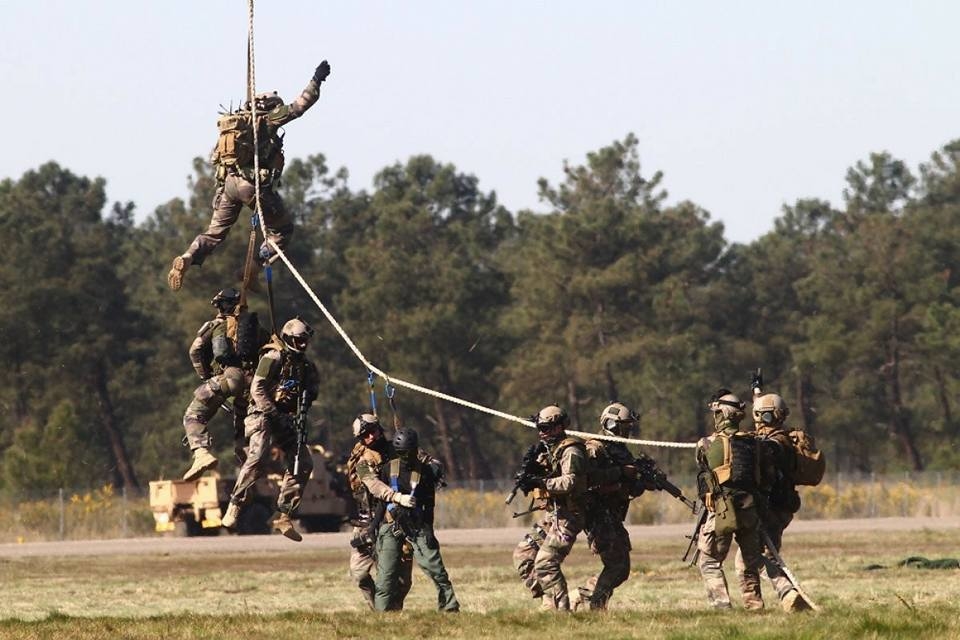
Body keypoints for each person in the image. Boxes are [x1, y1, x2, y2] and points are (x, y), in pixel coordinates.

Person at [167, 61, 331, 291]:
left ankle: (187, 256)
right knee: (283, 231)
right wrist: (317, 79)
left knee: (214, 233)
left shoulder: (234, 125)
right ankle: (253, 267)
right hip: (252, 185)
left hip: (228, 186)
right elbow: (300, 106)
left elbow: (216, 158)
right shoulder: (268, 119)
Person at [220, 318, 318, 541]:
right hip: (263, 413)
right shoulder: (273, 357)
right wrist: (273, 413)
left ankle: (283, 514)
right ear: (288, 338)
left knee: (303, 462)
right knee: (258, 457)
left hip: (287, 418)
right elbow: (257, 388)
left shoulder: (306, 367)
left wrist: (299, 412)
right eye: (298, 341)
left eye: (305, 341)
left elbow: (311, 391)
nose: (302, 345)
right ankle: (236, 502)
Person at [735, 392, 814, 612]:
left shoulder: (775, 444)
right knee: (766, 555)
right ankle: (767, 602)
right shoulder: (786, 438)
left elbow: (765, 450)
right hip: (782, 508)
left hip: (770, 509)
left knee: (747, 559)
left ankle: (785, 593)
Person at [370, 427, 459, 612]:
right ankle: (381, 616)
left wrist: (429, 531)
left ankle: (449, 609)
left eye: (407, 453)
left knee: (436, 570)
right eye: (400, 453)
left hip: (418, 526)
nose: (404, 457)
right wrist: (373, 527)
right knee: (385, 577)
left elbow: (429, 504)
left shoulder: (425, 472)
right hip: (391, 525)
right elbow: (381, 502)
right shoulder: (388, 469)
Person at [694, 389, 768, 610]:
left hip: (722, 511)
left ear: (721, 415)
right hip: (749, 509)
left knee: (709, 561)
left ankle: (722, 605)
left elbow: (703, 467)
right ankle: (754, 605)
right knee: (749, 563)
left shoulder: (706, 444)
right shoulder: (753, 443)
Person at [182, 288, 264, 480]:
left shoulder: (215, 325)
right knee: (242, 428)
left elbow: (195, 351)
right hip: (252, 384)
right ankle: (248, 467)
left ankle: (201, 454)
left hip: (228, 377)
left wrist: (205, 376)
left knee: (193, 415)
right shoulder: (254, 327)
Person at [512, 405, 588, 611]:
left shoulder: (572, 451)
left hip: (569, 517)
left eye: (546, 428)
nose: (541, 433)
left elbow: (570, 482)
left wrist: (541, 482)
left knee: (546, 563)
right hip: (553, 515)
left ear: (559, 427)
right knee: (524, 554)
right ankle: (549, 601)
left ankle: (561, 613)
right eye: (540, 428)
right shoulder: (550, 450)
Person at [574, 402, 643, 611]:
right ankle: (597, 605)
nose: (628, 430)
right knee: (617, 566)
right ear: (612, 424)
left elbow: (629, 488)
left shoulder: (622, 451)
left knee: (622, 569)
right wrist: (620, 472)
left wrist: (643, 481)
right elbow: (586, 479)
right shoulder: (595, 448)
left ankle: (582, 596)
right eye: (624, 426)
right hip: (598, 515)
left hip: (612, 515)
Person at [345, 413, 415, 610]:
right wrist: (396, 496)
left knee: (401, 581)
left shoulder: (396, 448)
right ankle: (378, 608)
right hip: (366, 523)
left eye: (373, 432)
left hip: (394, 521)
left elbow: (419, 456)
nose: (370, 438)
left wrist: (432, 465)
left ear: (380, 429)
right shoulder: (362, 461)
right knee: (359, 573)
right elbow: (374, 485)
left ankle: (391, 613)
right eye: (365, 436)